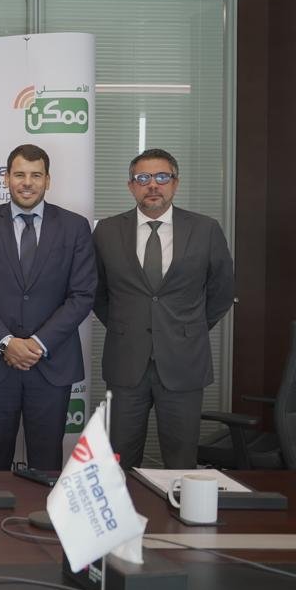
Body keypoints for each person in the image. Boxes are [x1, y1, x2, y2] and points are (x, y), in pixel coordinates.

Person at [93, 148, 235, 470]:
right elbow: (98, 293)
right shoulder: (106, 231)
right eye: (143, 178)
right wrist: (126, 325)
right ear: (131, 186)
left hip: (184, 361)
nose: (153, 185)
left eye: (162, 177)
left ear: (175, 183)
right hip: (126, 362)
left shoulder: (205, 229)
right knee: (119, 461)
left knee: (181, 461)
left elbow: (222, 291)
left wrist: (187, 328)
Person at [0, 144, 95, 471]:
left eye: (36, 175)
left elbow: (82, 294)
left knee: (47, 464)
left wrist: (37, 344)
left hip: (51, 363)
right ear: (6, 178)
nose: (27, 182)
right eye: (19, 174)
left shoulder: (75, 226)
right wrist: (6, 342)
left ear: (48, 180)